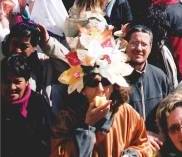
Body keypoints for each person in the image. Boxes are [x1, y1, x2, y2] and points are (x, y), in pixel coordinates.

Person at [51, 26, 149, 156]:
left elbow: (142, 145)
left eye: (106, 82)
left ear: (114, 85)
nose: (101, 89)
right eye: (93, 83)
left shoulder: (127, 113)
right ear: (82, 89)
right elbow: (59, 153)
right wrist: (87, 127)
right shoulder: (68, 117)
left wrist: (132, 154)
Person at [124, 24, 171, 153]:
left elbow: (168, 112)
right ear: (126, 45)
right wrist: (143, 135)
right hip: (128, 146)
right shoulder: (117, 77)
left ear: (150, 48)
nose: (139, 48)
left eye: (144, 44)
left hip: (157, 146)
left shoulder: (159, 76)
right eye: (134, 43)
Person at [1, 54, 53, 157]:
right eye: (6, 81)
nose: (12, 87)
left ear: (27, 82)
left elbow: (47, 141)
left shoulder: (38, 103)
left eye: (17, 82)